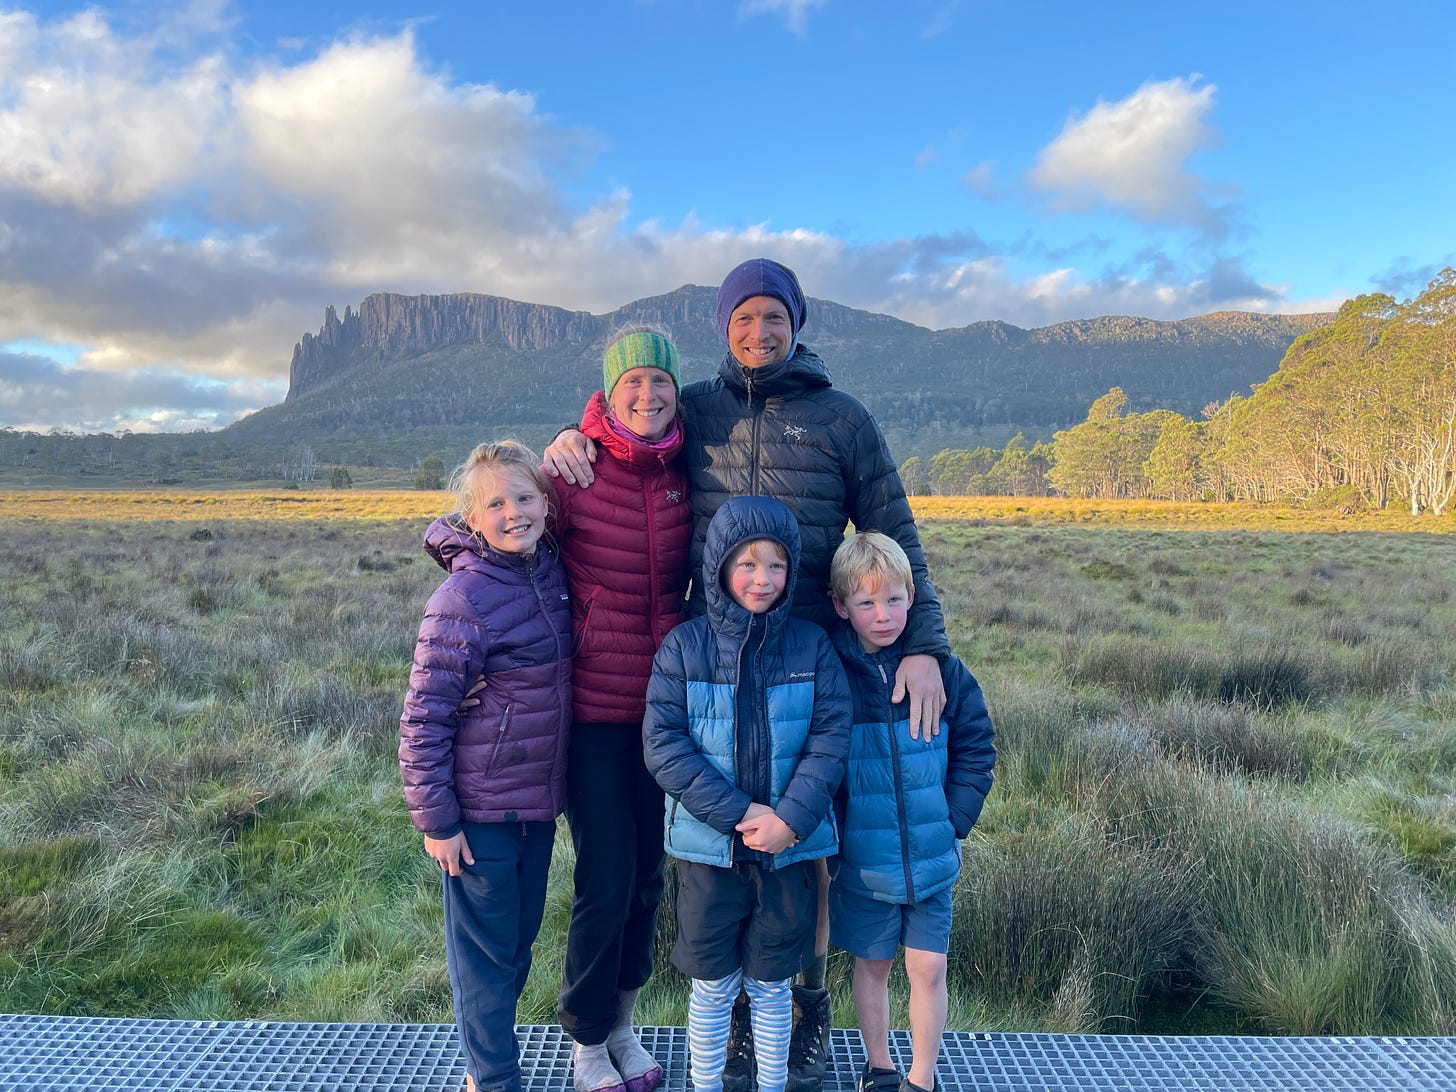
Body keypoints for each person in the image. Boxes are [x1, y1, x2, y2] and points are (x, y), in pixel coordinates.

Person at [546, 258, 952, 1092]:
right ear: (723, 327)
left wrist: (924, 646)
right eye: (743, 319)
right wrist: (572, 439)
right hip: (718, 662)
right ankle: (727, 1010)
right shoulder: (695, 407)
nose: (759, 332)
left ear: (795, 322)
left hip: (815, 657)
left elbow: (892, 529)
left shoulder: (842, 418)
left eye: (774, 316)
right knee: (722, 837)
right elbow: (632, 433)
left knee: (809, 842)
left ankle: (801, 1004)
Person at [642, 496, 850, 1092]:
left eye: (777, 565)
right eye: (748, 564)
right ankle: (706, 1084)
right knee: (712, 985)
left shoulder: (812, 647)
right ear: (718, 567)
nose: (763, 579)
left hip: (789, 852)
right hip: (710, 853)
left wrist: (790, 819)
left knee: (772, 983)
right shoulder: (685, 648)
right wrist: (740, 812)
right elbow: (663, 745)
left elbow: (830, 739)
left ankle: (771, 1084)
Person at [399, 440, 572, 1092]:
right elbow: (423, 719)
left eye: (524, 498)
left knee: (518, 945)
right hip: (478, 813)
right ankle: (493, 1079)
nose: (513, 513)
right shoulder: (459, 599)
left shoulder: (551, 572)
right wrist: (438, 821)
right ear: (473, 520)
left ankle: (488, 1065)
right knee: (485, 955)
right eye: (495, 503)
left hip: (536, 804)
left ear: (546, 504)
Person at [552, 328, 692, 1092]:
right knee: (605, 877)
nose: (647, 396)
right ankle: (585, 1041)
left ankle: (625, 1026)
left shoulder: (688, 463)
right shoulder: (571, 470)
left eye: (660, 382)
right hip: (594, 716)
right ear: (607, 394)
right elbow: (488, 532)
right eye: (632, 383)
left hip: (664, 715)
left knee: (648, 877)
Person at [826, 533, 996, 1092]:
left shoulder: (941, 671)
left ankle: (921, 1077)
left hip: (932, 859)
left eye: (896, 600)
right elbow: (818, 765)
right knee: (871, 966)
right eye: (867, 603)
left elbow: (977, 744)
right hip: (863, 864)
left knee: (928, 968)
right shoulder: (833, 677)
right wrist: (840, 835)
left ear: (913, 598)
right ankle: (879, 1067)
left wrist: (954, 821)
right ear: (840, 605)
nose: (884, 616)